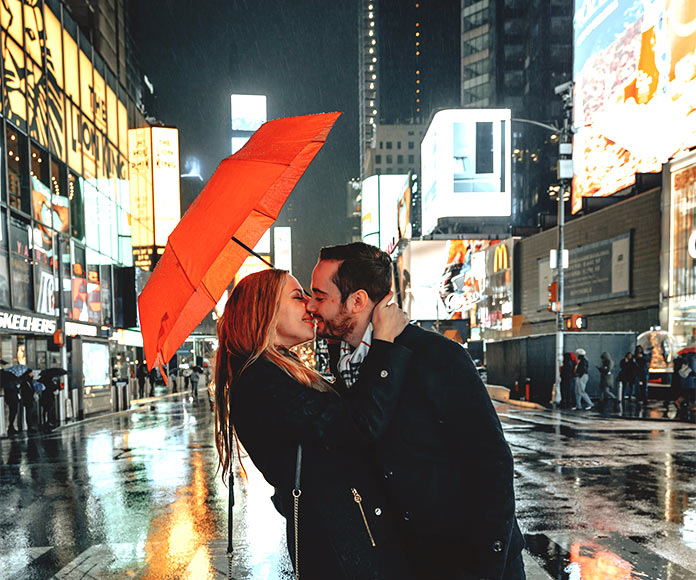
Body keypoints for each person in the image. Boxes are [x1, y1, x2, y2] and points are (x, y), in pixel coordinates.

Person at [307, 242, 525, 580]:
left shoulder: (437, 357)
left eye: (320, 297)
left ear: (357, 301)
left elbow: (491, 462)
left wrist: (485, 566)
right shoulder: (347, 363)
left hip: (468, 562)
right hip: (414, 560)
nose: (310, 306)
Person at [214, 268, 415, 580]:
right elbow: (359, 426)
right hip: (342, 544)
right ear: (264, 310)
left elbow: (332, 417)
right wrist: (386, 343)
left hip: (342, 533)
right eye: (298, 297)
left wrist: (337, 340)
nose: (310, 305)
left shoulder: (277, 372)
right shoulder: (262, 381)